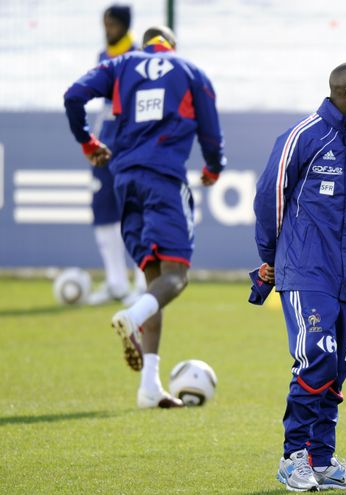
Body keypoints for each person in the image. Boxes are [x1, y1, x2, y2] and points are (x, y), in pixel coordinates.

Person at [63, 27, 226, 408]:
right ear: (172, 46)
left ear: (145, 45)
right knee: (177, 276)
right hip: (165, 179)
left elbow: (73, 95)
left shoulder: (121, 65)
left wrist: (87, 141)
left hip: (125, 180)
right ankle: (133, 317)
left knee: (154, 280)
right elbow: (212, 135)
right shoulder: (190, 72)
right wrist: (215, 169)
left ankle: (149, 386)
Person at [253, 62, 346, 491]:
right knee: (316, 359)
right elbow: (268, 197)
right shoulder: (301, 137)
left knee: (337, 369)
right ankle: (293, 459)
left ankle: (322, 462)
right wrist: (272, 259)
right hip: (306, 272)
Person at [86, 4, 145, 306]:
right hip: (104, 147)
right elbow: (102, 107)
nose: (107, 29)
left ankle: (141, 284)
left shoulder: (137, 57)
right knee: (102, 211)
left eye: (111, 24)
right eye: (104, 24)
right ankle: (115, 283)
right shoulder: (102, 56)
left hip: (127, 146)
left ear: (124, 25)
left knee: (131, 213)